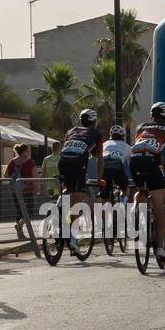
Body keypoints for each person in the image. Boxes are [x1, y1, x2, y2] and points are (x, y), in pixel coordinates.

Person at [129, 101, 165, 262]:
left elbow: (145, 147)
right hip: (151, 163)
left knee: (141, 191)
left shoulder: (140, 127)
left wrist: (160, 162)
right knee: (159, 208)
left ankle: (135, 213)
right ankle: (159, 248)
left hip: (134, 160)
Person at [58, 108, 104, 254]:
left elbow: (68, 148)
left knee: (68, 189)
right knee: (77, 202)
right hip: (78, 164)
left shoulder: (71, 131)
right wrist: (99, 179)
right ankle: (72, 239)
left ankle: (60, 203)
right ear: (94, 121)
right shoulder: (96, 134)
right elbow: (100, 160)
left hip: (63, 161)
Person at [5, 143, 39, 239]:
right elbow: (35, 176)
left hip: (15, 190)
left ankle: (20, 234)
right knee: (29, 211)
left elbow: (6, 175)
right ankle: (19, 225)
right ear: (24, 151)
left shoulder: (12, 162)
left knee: (19, 211)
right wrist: (36, 187)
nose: (29, 151)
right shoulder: (30, 162)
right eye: (28, 150)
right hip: (27, 189)